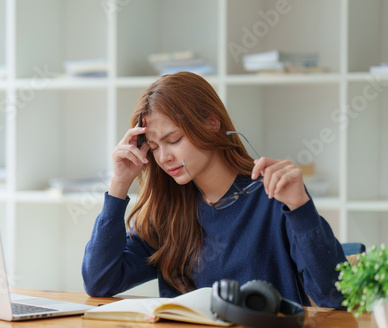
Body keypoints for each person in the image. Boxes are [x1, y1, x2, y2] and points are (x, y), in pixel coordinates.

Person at [82, 71, 346, 308]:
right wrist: (119, 184)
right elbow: (99, 281)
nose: (164, 158)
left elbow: (334, 297)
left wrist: (301, 209)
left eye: (173, 140)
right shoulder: (168, 213)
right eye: (153, 147)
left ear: (212, 122)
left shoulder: (275, 195)